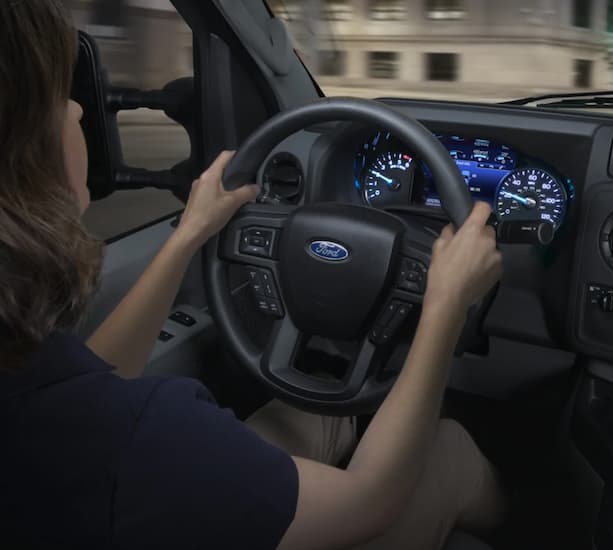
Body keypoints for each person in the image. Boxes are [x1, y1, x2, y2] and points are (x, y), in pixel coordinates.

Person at [0, 2, 505, 549]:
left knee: (308, 412)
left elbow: (93, 385)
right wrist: (444, 305)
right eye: (57, 96)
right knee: (448, 448)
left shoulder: (52, 400)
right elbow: (368, 502)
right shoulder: (131, 443)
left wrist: (188, 235)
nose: (77, 111)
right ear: (22, 150)